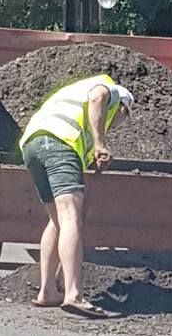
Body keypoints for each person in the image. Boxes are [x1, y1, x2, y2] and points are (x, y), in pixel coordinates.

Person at [20, 74, 134, 317]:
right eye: (120, 120)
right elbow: (97, 100)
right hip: (60, 144)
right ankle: (73, 294)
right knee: (72, 217)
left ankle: (48, 291)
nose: (115, 125)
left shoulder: (72, 96)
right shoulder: (108, 88)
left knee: (58, 221)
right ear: (122, 108)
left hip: (32, 144)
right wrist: (101, 144)